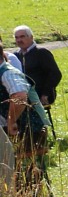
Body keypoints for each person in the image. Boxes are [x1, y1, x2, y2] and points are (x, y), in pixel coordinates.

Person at [1, 49, 48, 189]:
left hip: (27, 129)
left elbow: (20, 96)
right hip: (18, 129)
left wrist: (11, 121)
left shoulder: (7, 73)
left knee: (26, 175)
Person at [13, 25, 61, 109]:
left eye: (22, 37)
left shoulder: (41, 53)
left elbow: (55, 74)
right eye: (16, 38)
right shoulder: (15, 56)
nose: (19, 40)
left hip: (39, 95)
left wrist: (45, 94)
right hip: (22, 97)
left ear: (31, 37)